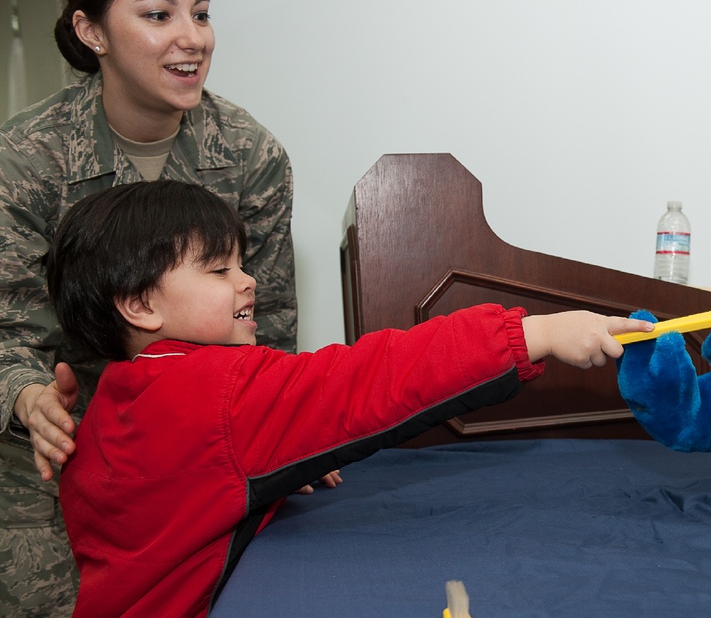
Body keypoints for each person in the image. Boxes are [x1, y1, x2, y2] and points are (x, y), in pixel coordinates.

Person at [48, 180, 653, 617]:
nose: (247, 280)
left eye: (241, 263)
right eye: (217, 270)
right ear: (140, 305)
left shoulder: (119, 396)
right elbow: (368, 379)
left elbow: (190, 491)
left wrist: (277, 460)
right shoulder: (215, 392)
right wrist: (536, 333)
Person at [0, 0, 307, 613]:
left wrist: (295, 426)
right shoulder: (24, 160)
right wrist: (27, 396)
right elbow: (7, 323)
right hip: (61, 452)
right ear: (92, 32)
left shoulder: (249, 157)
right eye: (158, 15)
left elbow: (268, 320)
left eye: (199, 14)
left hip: (197, 442)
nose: (191, 37)